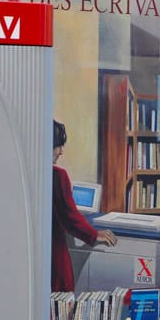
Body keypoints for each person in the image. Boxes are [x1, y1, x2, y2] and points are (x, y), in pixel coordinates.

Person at [52, 120, 117, 292]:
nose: (60, 152)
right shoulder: (58, 176)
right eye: (57, 145)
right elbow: (69, 216)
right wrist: (94, 234)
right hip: (54, 256)